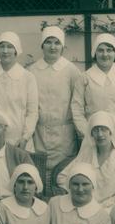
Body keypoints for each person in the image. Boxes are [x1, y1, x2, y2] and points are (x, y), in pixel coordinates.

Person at [58, 111, 115, 208]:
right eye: (96, 130)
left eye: (104, 129)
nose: (100, 134)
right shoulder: (88, 153)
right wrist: (79, 197)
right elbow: (62, 177)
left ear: (110, 131)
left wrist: (102, 207)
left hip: (112, 208)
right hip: (85, 206)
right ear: (91, 133)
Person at [29, 26, 82, 173]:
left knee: (63, 172)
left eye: (57, 43)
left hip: (64, 134)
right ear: (42, 45)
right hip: (39, 132)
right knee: (39, 169)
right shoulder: (32, 71)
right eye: (48, 42)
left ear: (62, 46)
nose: (52, 47)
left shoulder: (71, 71)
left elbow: (78, 102)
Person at [0, 31, 38, 151]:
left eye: (9, 47)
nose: (5, 51)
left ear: (16, 50)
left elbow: (32, 112)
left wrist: (25, 137)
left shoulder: (28, 77)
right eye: (2, 46)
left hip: (19, 139)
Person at [71, 33, 115, 139]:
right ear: (94, 53)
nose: (105, 54)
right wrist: (89, 135)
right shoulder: (84, 78)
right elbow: (76, 110)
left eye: (109, 50)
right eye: (100, 50)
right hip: (94, 137)